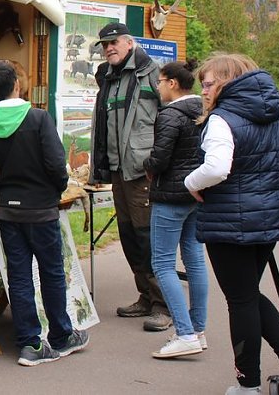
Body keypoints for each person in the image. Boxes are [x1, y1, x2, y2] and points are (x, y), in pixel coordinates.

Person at [184, 53, 279, 394]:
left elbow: (217, 168)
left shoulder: (222, 119)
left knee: (240, 300)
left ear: (228, 82)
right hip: (269, 217)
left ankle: (248, 384)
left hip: (229, 222)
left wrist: (192, 183)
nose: (203, 90)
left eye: (208, 83)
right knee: (246, 293)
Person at [0, 59, 89, 366]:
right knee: (51, 274)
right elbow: (55, 165)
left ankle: (30, 345)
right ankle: (62, 337)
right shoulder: (38, 118)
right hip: (42, 211)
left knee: (19, 277)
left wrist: (5, 188)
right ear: (18, 85)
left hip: (9, 214)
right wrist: (53, 190)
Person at [90, 22, 171, 331]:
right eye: (105, 44)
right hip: (118, 172)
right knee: (129, 237)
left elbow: (171, 120)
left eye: (114, 43)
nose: (109, 48)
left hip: (142, 172)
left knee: (148, 238)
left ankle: (164, 305)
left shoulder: (153, 74)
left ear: (129, 43)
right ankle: (145, 297)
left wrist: (156, 161)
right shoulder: (108, 78)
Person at [143, 60, 208, 359]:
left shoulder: (170, 114)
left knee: (163, 264)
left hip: (170, 196)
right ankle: (198, 329)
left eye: (159, 81)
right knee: (195, 261)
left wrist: (147, 167)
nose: (157, 86)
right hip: (197, 195)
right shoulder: (205, 110)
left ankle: (184, 333)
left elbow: (160, 158)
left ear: (172, 83)